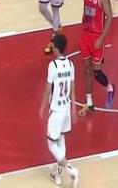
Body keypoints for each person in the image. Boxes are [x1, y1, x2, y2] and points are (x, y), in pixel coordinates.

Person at [39, 33, 79, 187]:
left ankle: (71, 170)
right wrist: (73, 109)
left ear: (55, 49)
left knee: (51, 145)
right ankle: (57, 175)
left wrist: (42, 107)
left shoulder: (53, 66)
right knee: (61, 140)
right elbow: (73, 90)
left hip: (56, 110)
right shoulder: (70, 64)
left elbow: (47, 89)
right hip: (66, 108)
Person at [78, 0, 115, 116]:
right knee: (86, 70)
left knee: (97, 72)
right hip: (86, 35)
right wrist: (83, 20)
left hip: (97, 37)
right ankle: (89, 103)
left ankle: (110, 87)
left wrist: (101, 38)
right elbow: (85, 10)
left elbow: (109, 17)